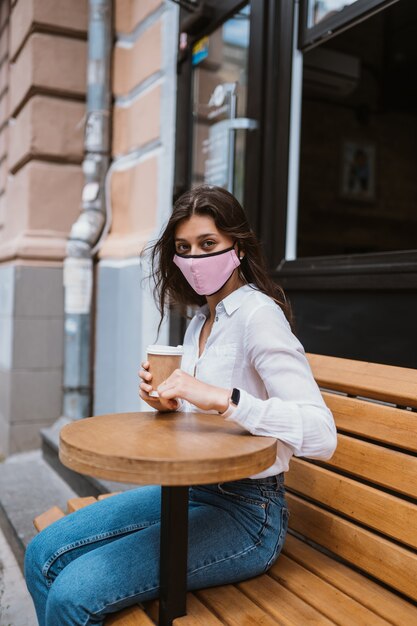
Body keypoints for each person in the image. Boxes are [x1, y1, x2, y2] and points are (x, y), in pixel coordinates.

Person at [24, 184, 337, 626]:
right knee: (41, 556)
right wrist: (168, 403)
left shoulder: (258, 316)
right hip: (189, 490)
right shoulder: (200, 322)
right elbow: (202, 421)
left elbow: (323, 434)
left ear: (239, 248)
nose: (194, 260)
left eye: (208, 245)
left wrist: (226, 400)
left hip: (249, 513)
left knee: (74, 593)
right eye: (183, 248)